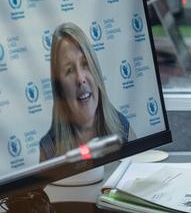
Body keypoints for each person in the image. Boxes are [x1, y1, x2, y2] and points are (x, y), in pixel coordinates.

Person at [39, 23, 135, 161]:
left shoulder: (122, 127)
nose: (80, 78)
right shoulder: (49, 149)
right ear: (60, 88)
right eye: (69, 70)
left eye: (85, 64)